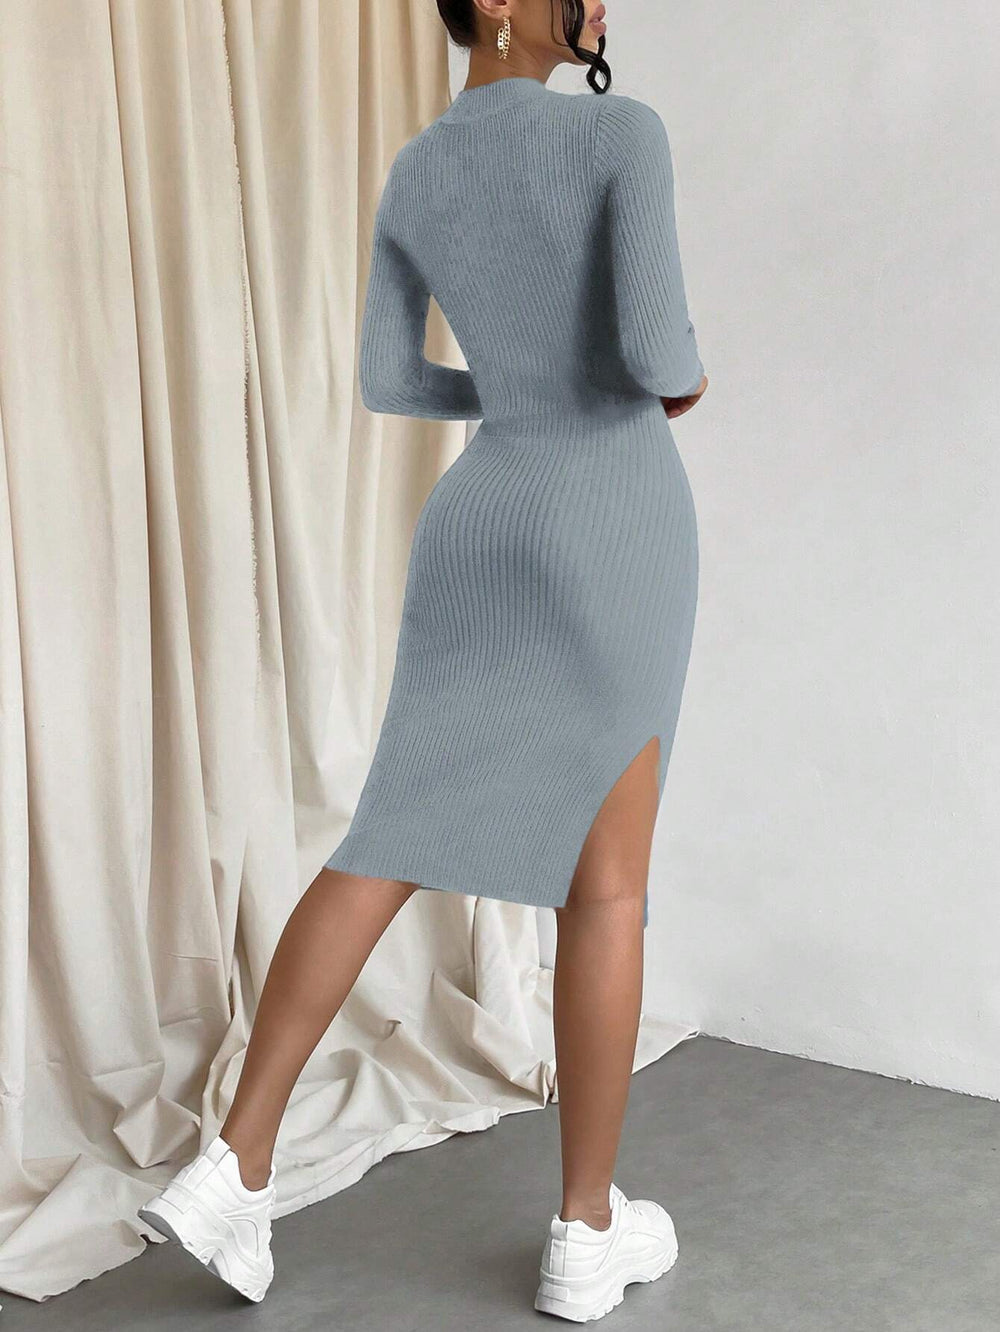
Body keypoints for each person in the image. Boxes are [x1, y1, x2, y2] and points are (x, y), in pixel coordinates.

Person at [138, 0, 709, 1321]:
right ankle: (584, 1230)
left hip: (479, 517)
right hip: (609, 516)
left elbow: (395, 382)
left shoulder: (418, 169)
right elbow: (656, 352)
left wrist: (509, 395)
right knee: (607, 889)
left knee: (385, 838)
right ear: (496, 1)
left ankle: (237, 1164)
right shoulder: (622, 134)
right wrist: (668, 379)